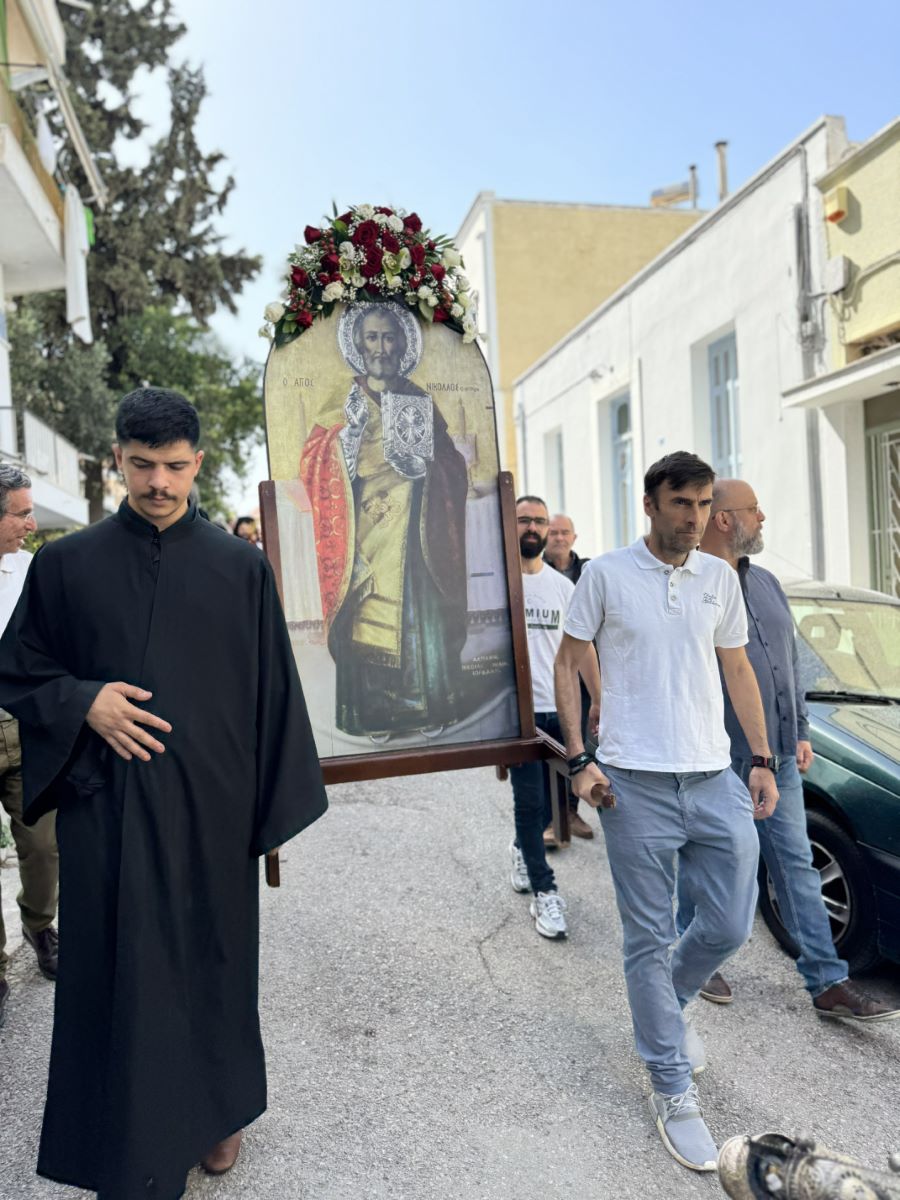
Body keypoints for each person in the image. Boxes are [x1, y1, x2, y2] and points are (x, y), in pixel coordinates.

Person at [0, 388, 327, 1199]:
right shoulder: (65, 565)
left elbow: (274, 695)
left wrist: (269, 811)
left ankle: (219, 1113)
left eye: (175, 466)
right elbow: (18, 670)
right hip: (104, 811)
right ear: (117, 458)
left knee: (213, 963)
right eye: (142, 465)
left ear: (198, 463)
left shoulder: (240, 568)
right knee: (115, 969)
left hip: (212, 814)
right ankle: (123, 1134)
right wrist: (84, 701)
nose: (158, 483)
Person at [554, 451, 778, 1173]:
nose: (696, 517)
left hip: (713, 777)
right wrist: (579, 759)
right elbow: (569, 660)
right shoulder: (606, 575)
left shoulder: (718, 578)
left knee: (730, 923)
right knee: (648, 940)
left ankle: (667, 1006)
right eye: (682, 503)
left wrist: (762, 757)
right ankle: (671, 1087)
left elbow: (736, 666)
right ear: (650, 504)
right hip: (634, 783)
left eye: (705, 504)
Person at [681, 478, 900, 1021]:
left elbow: (791, 665)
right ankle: (692, 958)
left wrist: (799, 729)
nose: (763, 518)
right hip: (717, 756)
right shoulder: (689, 585)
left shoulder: (767, 583)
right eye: (754, 509)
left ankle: (828, 982)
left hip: (776, 755)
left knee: (796, 863)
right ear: (724, 520)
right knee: (708, 862)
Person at [300, 301, 470, 740]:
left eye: (389, 337)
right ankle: (375, 713)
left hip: (416, 532)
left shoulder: (419, 399)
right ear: (358, 344)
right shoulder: (342, 400)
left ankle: (428, 706)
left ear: (402, 344)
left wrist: (426, 466)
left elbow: (452, 463)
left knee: (421, 614)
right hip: (364, 531)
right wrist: (349, 439)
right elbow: (313, 460)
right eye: (372, 337)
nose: (380, 347)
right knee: (366, 612)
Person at [508, 496, 599, 939]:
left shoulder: (563, 587)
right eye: (524, 520)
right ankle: (544, 890)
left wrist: (598, 699)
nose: (532, 527)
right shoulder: (499, 584)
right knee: (530, 802)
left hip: (561, 709)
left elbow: (583, 649)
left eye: (539, 521)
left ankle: (520, 848)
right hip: (517, 714)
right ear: (510, 524)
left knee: (551, 802)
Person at [0, 466, 58, 1029]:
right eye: (21, 513)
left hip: (25, 726)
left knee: (42, 844)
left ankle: (39, 926)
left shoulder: (31, 570)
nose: (31, 523)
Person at [543, 512, 595, 841]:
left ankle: (571, 812)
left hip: (584, 670)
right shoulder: (535, 571)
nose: (559, 538)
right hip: (551, 670)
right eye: (554, 533)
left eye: (565, 533)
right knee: (552, 744)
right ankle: (552, 818)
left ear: (574, 538)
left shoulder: (589, 571)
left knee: (581, 741)